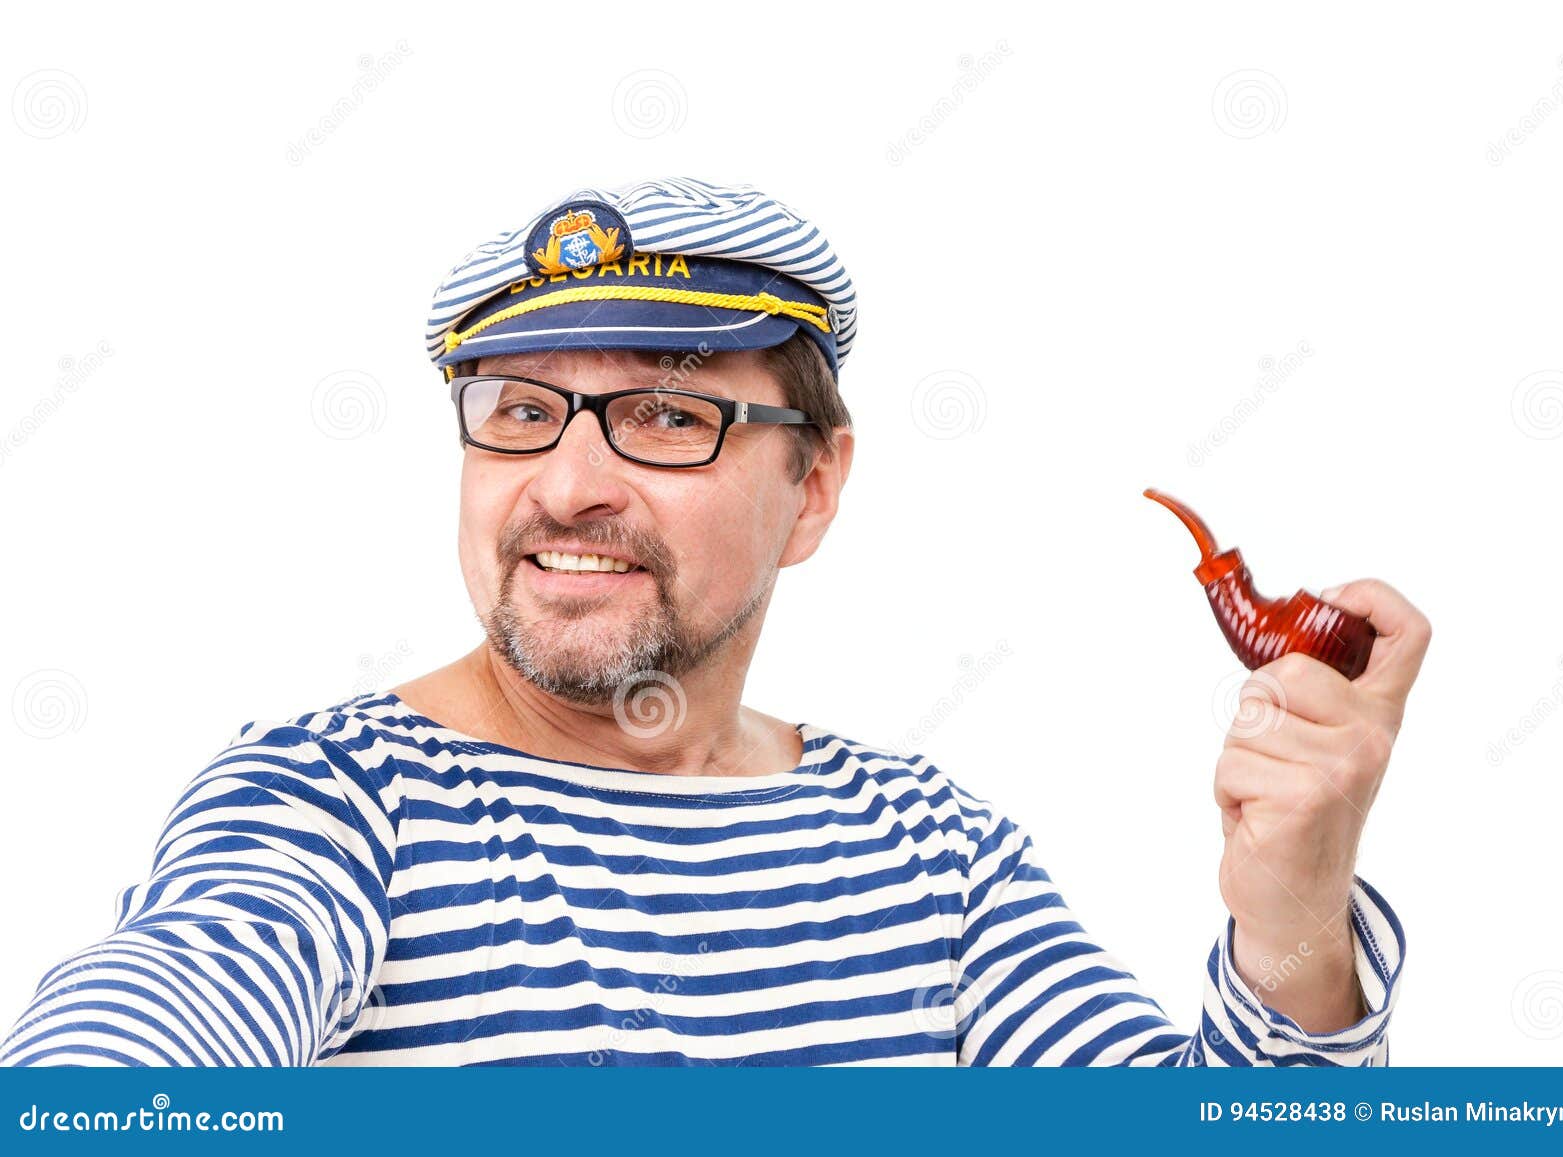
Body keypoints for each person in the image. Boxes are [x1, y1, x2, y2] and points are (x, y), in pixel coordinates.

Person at [0, 177, 1430, 1067]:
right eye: (519, 411)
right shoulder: (330, 801)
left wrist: (1295, 920)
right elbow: (152, 1022)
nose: (568, 483)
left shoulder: (930, 849)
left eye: (668, 415)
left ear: (815, 486)